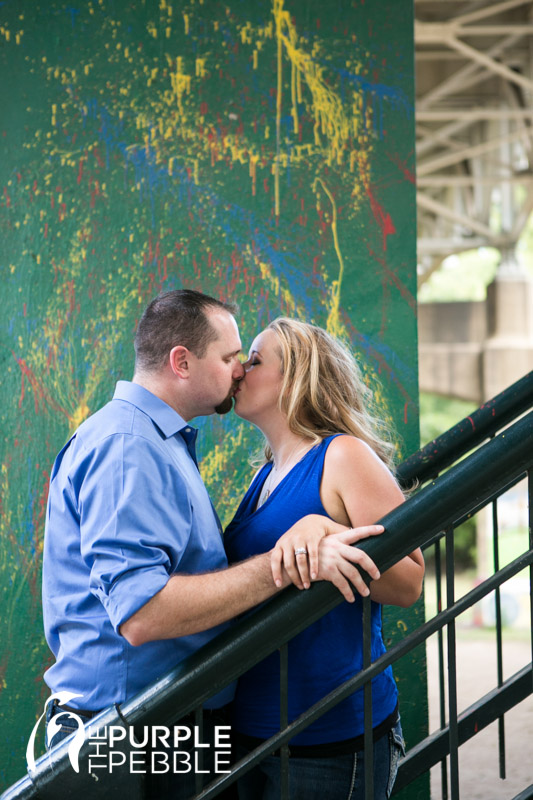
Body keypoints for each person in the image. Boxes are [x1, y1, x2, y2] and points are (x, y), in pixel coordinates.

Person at [41, 290, 382, 799]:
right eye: (228, 358)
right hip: (137, 732)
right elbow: (142, 613)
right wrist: (282, 565)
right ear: (182, 361)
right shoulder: (128, 445)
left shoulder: (159, 442)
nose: (238, 370)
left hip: (172, 726)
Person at [224, 318, 425, 800]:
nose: (238, 371)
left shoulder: (342, 455)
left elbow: (409, 581)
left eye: (254, 361)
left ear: (294, 377)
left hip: (330, 736)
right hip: (256, 732)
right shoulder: (265, 474)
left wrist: (327, 531)